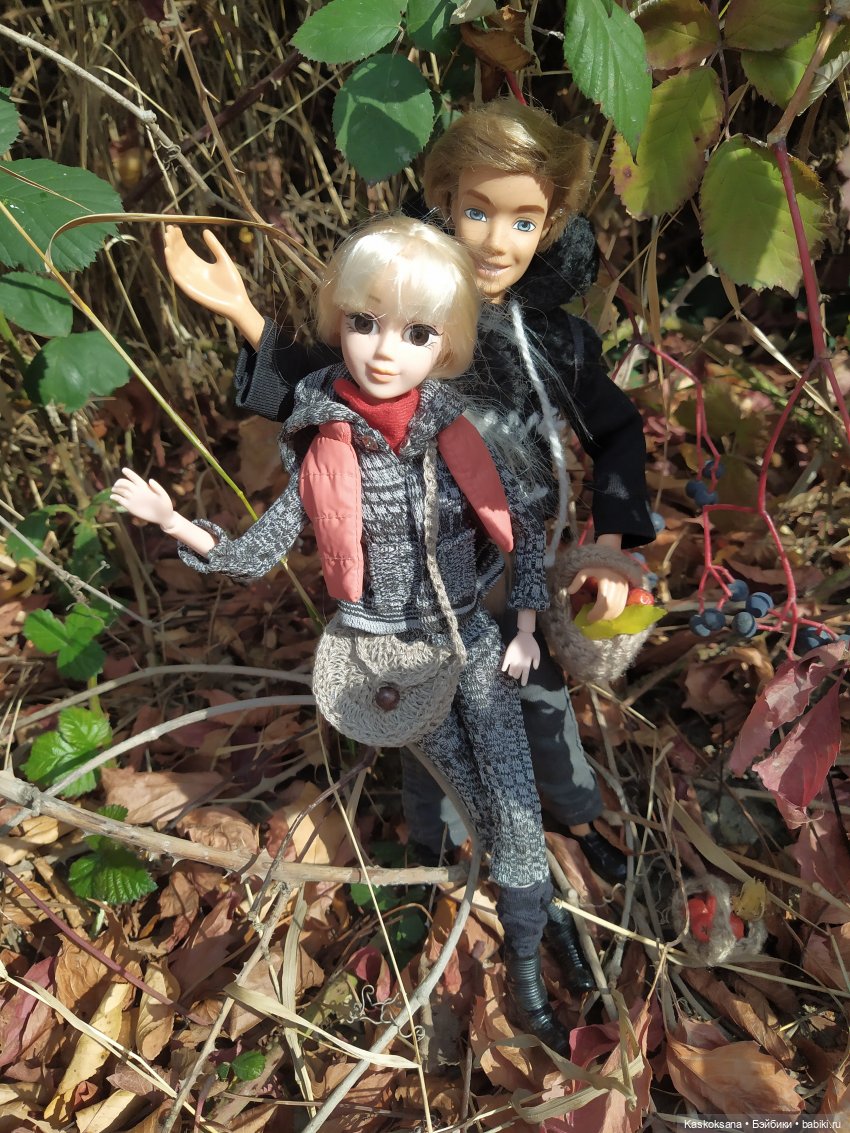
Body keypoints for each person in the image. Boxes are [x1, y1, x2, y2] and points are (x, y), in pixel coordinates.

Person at [160, 98, 654, 977]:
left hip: (514, 562)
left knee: (541, 707)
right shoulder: (412, 308)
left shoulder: (555, 340)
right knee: (427, 726)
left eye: (524, 220)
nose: (497, 241)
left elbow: (617, 430)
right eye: (476, 211)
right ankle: (439, 851)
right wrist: (244, 315)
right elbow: (327, 384)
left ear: (552, 226)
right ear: (443, 203)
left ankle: (575, 821)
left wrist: (615, 544)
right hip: (417, 584)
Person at [114, 216, 578, 1054]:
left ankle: (537, 956)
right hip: (387, 653)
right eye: (365, 323)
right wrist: (177, 522)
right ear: (339, 321)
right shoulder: (323, 441)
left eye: (416, 333)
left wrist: (523, 622)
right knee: (481, 799)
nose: (385, 351)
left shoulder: (456, 431)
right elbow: (256, 550)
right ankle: (537, 941)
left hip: (474, 640)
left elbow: (520, 526)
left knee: (513, 790)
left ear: (446, 343)